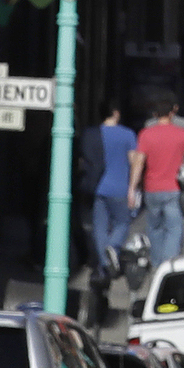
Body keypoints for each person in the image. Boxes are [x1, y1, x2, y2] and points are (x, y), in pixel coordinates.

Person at [78, 102, 139, 310]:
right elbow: (133, 161)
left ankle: (103, 264)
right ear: (116, 113)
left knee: (99, 226)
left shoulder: (92, 134)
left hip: (98, 187)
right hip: (120, 188)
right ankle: (113, 249)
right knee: (122, 222)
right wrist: (134, 187)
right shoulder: (127, 135)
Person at [134, 94, 184, 272]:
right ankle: (168, 266)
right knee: (173, 229)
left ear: (155, 114)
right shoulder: (183, 134)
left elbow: (139, 164)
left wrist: (132, 188)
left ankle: (156, 264)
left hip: (151, 188)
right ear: (172, 113)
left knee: (154, 228)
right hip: (174, 188)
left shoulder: (146, 134)